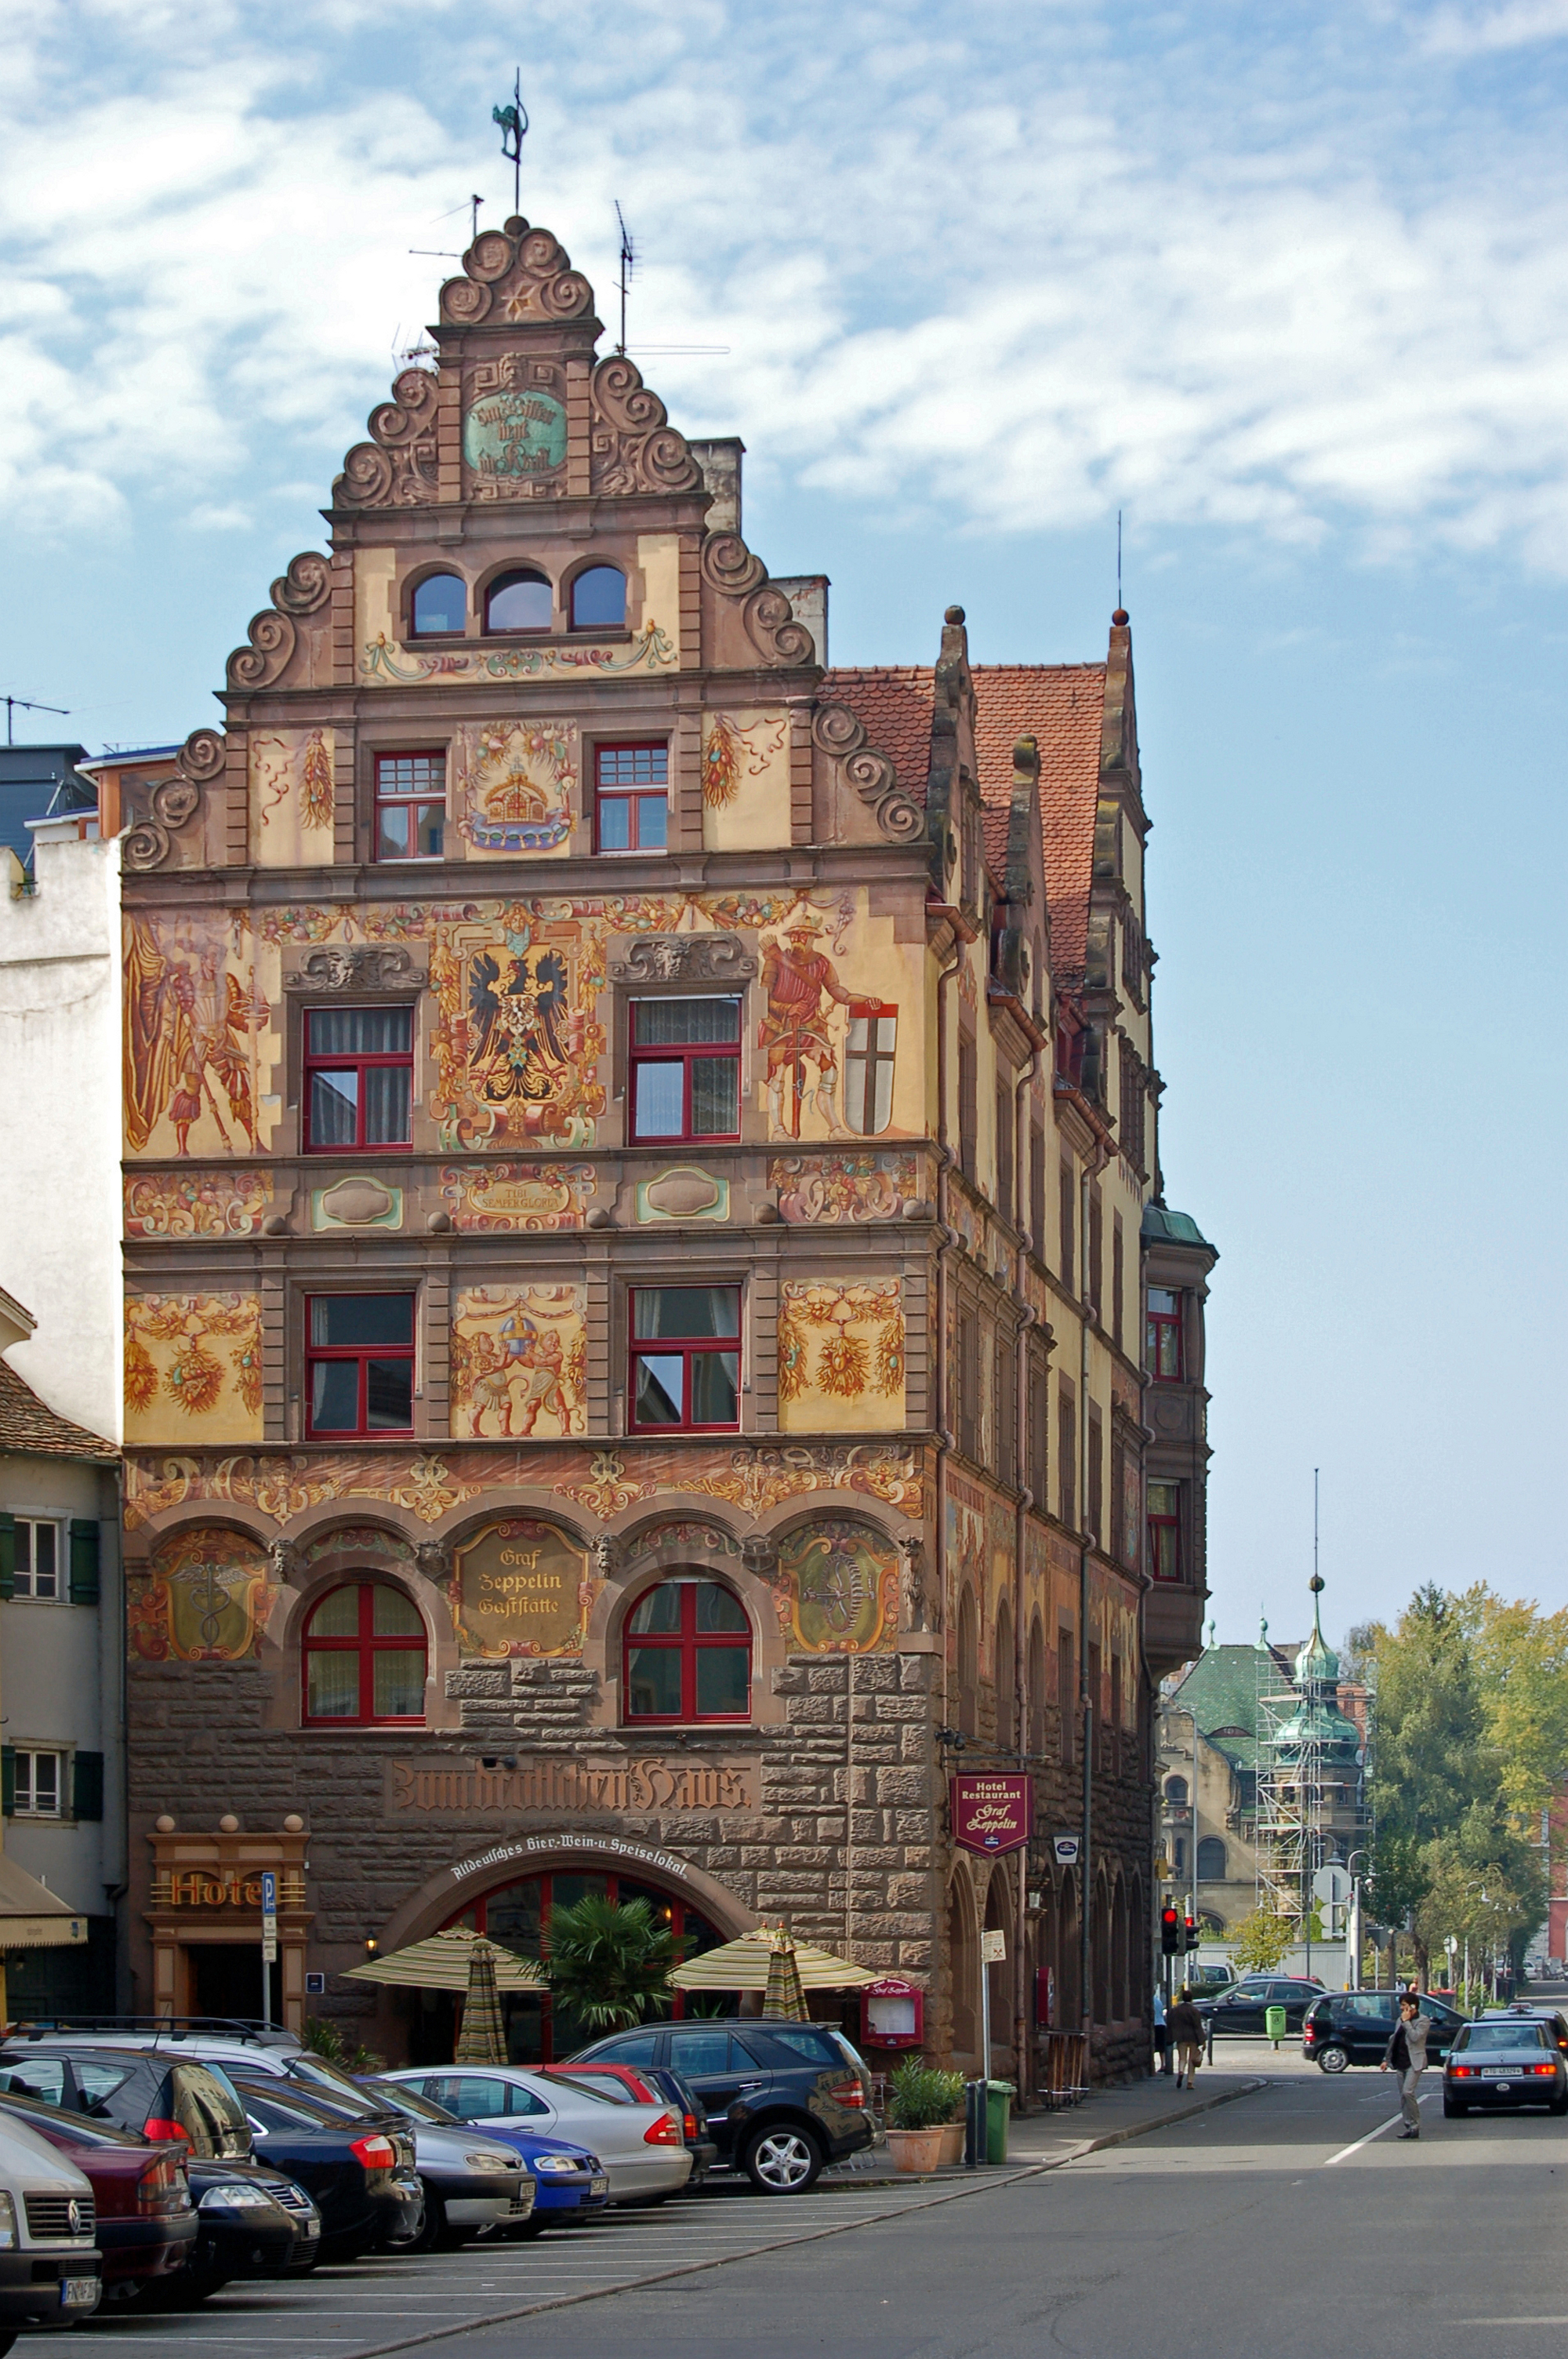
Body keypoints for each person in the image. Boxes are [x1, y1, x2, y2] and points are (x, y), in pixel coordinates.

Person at [1381, 1991, 1430, 2138]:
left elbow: (1415, 2037)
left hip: (1414, 2062)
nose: (1402, 2008)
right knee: (1403, 2096)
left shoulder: (1423, 2020)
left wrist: (1407, 2022)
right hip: (1400, 2061)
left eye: (1404, 2005)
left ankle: (1416, 2125)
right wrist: (1386, 2059)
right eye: (1401, 2005)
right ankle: (1409, 2126)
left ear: (1412, 2006)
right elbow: (1394, 2040)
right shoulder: (1400, 2020)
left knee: (1408, 2092)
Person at [1167, 1987, 1205, 2088]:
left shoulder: (1176, 2010)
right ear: (1191, 1999)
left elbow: (1171, 2023)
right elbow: (1198, 2026)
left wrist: (1171, 2036)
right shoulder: (1194, 2011)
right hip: (1193, 2038)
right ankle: (1190, 2082)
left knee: (1182, 2058)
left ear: (1182, 1998)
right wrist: (1202, 2040)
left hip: (1180, 2037)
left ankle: (1181, 2071)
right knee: (1192, 2060)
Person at [1153, 1986, 1171, 2074]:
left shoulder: (1151, 2001)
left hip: (1154, 2025)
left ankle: (1152, 2064)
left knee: (1153, 2045)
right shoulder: (1159, 2001)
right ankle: (1163, 2064)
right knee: (1161, 2047)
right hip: (1161, 2024)